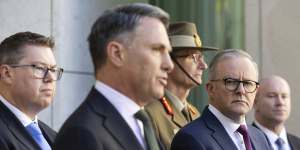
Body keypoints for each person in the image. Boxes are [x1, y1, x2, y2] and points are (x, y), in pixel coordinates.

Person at [53, 3, 174, 150]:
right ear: (117, 54)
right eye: (157, 50)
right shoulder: (81, 134)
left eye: (168, 52)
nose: (169, 65)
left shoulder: (143, 123)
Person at [171, 49, 272, 150]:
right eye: (231, 82)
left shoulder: (260, 137)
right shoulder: (190, 139)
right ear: (211, 89)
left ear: (256, 91)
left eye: (248, 83)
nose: (241, 90)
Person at [145, 21, 217, 150]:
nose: (203, 65)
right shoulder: (151, 114)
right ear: (169, 61)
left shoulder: (195, 114)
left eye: (202, 57)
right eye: (194, 57)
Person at [0, 32, 64, 150]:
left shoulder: (55, 138)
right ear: (7, 73)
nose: (50, 78)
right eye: (40, 68)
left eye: (53, 70)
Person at [253, 75, 300, 150]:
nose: (280, 102)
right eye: (271, 96)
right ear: (255, 102)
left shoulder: (298, 143)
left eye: (284, 96)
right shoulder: (243, 142)